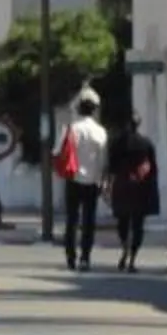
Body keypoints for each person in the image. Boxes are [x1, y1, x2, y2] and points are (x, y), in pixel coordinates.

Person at [55, 89, 110, 270]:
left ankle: (70, 256)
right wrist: (102, 180)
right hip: (93, 181)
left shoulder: (71, 129)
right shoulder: (100, 132)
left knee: (71, 220)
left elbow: (57, 152)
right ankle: (85, 257)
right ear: (95, 109)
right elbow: (103, 160)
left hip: (73, 178)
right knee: (89, 221)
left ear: (79, 108)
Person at [105, 107, 161, 273]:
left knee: (122, 221)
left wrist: (109, 182)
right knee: (138, 224)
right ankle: (133, 258)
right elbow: (153, 168)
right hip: (141, 187)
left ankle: (125, 247)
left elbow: (112, 167)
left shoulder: (117, 143)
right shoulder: (146, 143)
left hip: (122, 185)